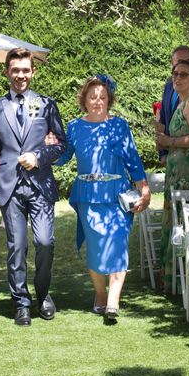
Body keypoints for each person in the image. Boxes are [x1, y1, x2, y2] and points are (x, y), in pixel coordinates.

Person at [0, 47, 67, 326]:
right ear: (7, 72)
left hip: (40, 184)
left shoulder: (46, 104)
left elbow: (62, 146)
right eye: (15, 70)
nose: (20, 75)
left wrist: (39, 157)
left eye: (25, 70)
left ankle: (43, 294)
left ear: (33, 72)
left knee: (45, 242)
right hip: (9, 187)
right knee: (16, 246)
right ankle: (21, 301)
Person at [54, 74, 150, 319]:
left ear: (109, 100)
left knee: (118, 244)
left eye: (103, 97)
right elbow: (63, 157)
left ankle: (113, 302)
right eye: (93, 97)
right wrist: (50, 147)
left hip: (118, 196)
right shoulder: (75, 127)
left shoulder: (119, 126)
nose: (98, 101)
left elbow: (133, 159)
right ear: (84, 100)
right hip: (88, 196)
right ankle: (99, 294)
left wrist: (144, 188)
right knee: (96, 248)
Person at [155, 60, 189, 293]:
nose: (177, 78)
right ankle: (175, 278)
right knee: (173, 220)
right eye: (175, 74)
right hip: (175, 170)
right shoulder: (180, 102)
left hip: (187, 171)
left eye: (183, 75)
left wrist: (170, 141)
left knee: (183, 221)